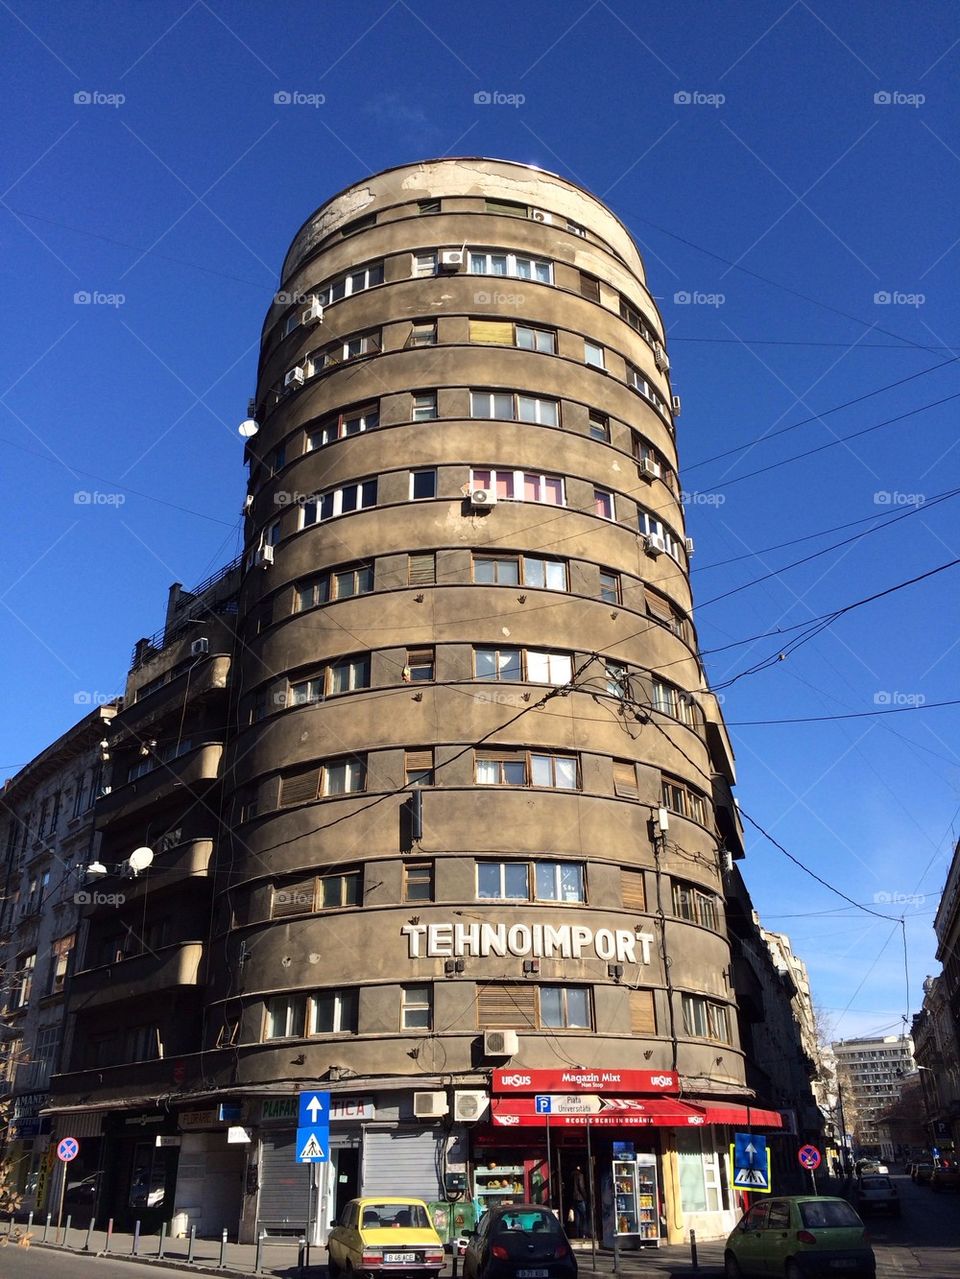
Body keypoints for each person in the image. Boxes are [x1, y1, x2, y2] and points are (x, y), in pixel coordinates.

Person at [572, 1166, 589, 1238]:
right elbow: (581, 1187)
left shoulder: (572, 1176)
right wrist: (585, 1197)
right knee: (584, 1217)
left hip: (574, 1198)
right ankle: (583, 1234)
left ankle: (577, 1234)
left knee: (577, 1217)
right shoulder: (580, 1175)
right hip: (580, 1198)